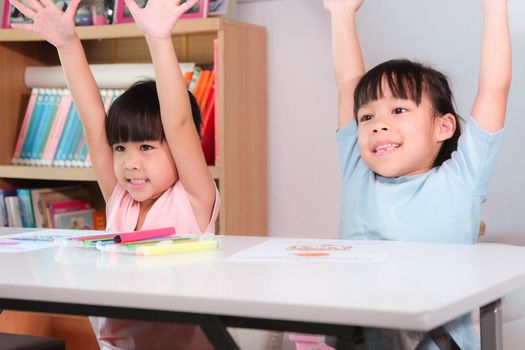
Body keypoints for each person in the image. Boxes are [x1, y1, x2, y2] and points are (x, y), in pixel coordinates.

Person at [9, 0, 219, 348]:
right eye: (121, 149)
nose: (130, 162)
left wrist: (159, 40)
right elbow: (94, 122)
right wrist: (68, 44)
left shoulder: (194, 199)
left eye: (146, 148)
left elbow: (179, 124)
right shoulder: (120, 197)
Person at [322, 0, 511, 349]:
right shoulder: (357, 171)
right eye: (367, 117)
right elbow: (349, 81)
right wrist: (341, 13)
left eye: (398, 110)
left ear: (443, 126)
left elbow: (494, 88)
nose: (378, 124)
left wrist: (495, 7)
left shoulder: (461, 180)